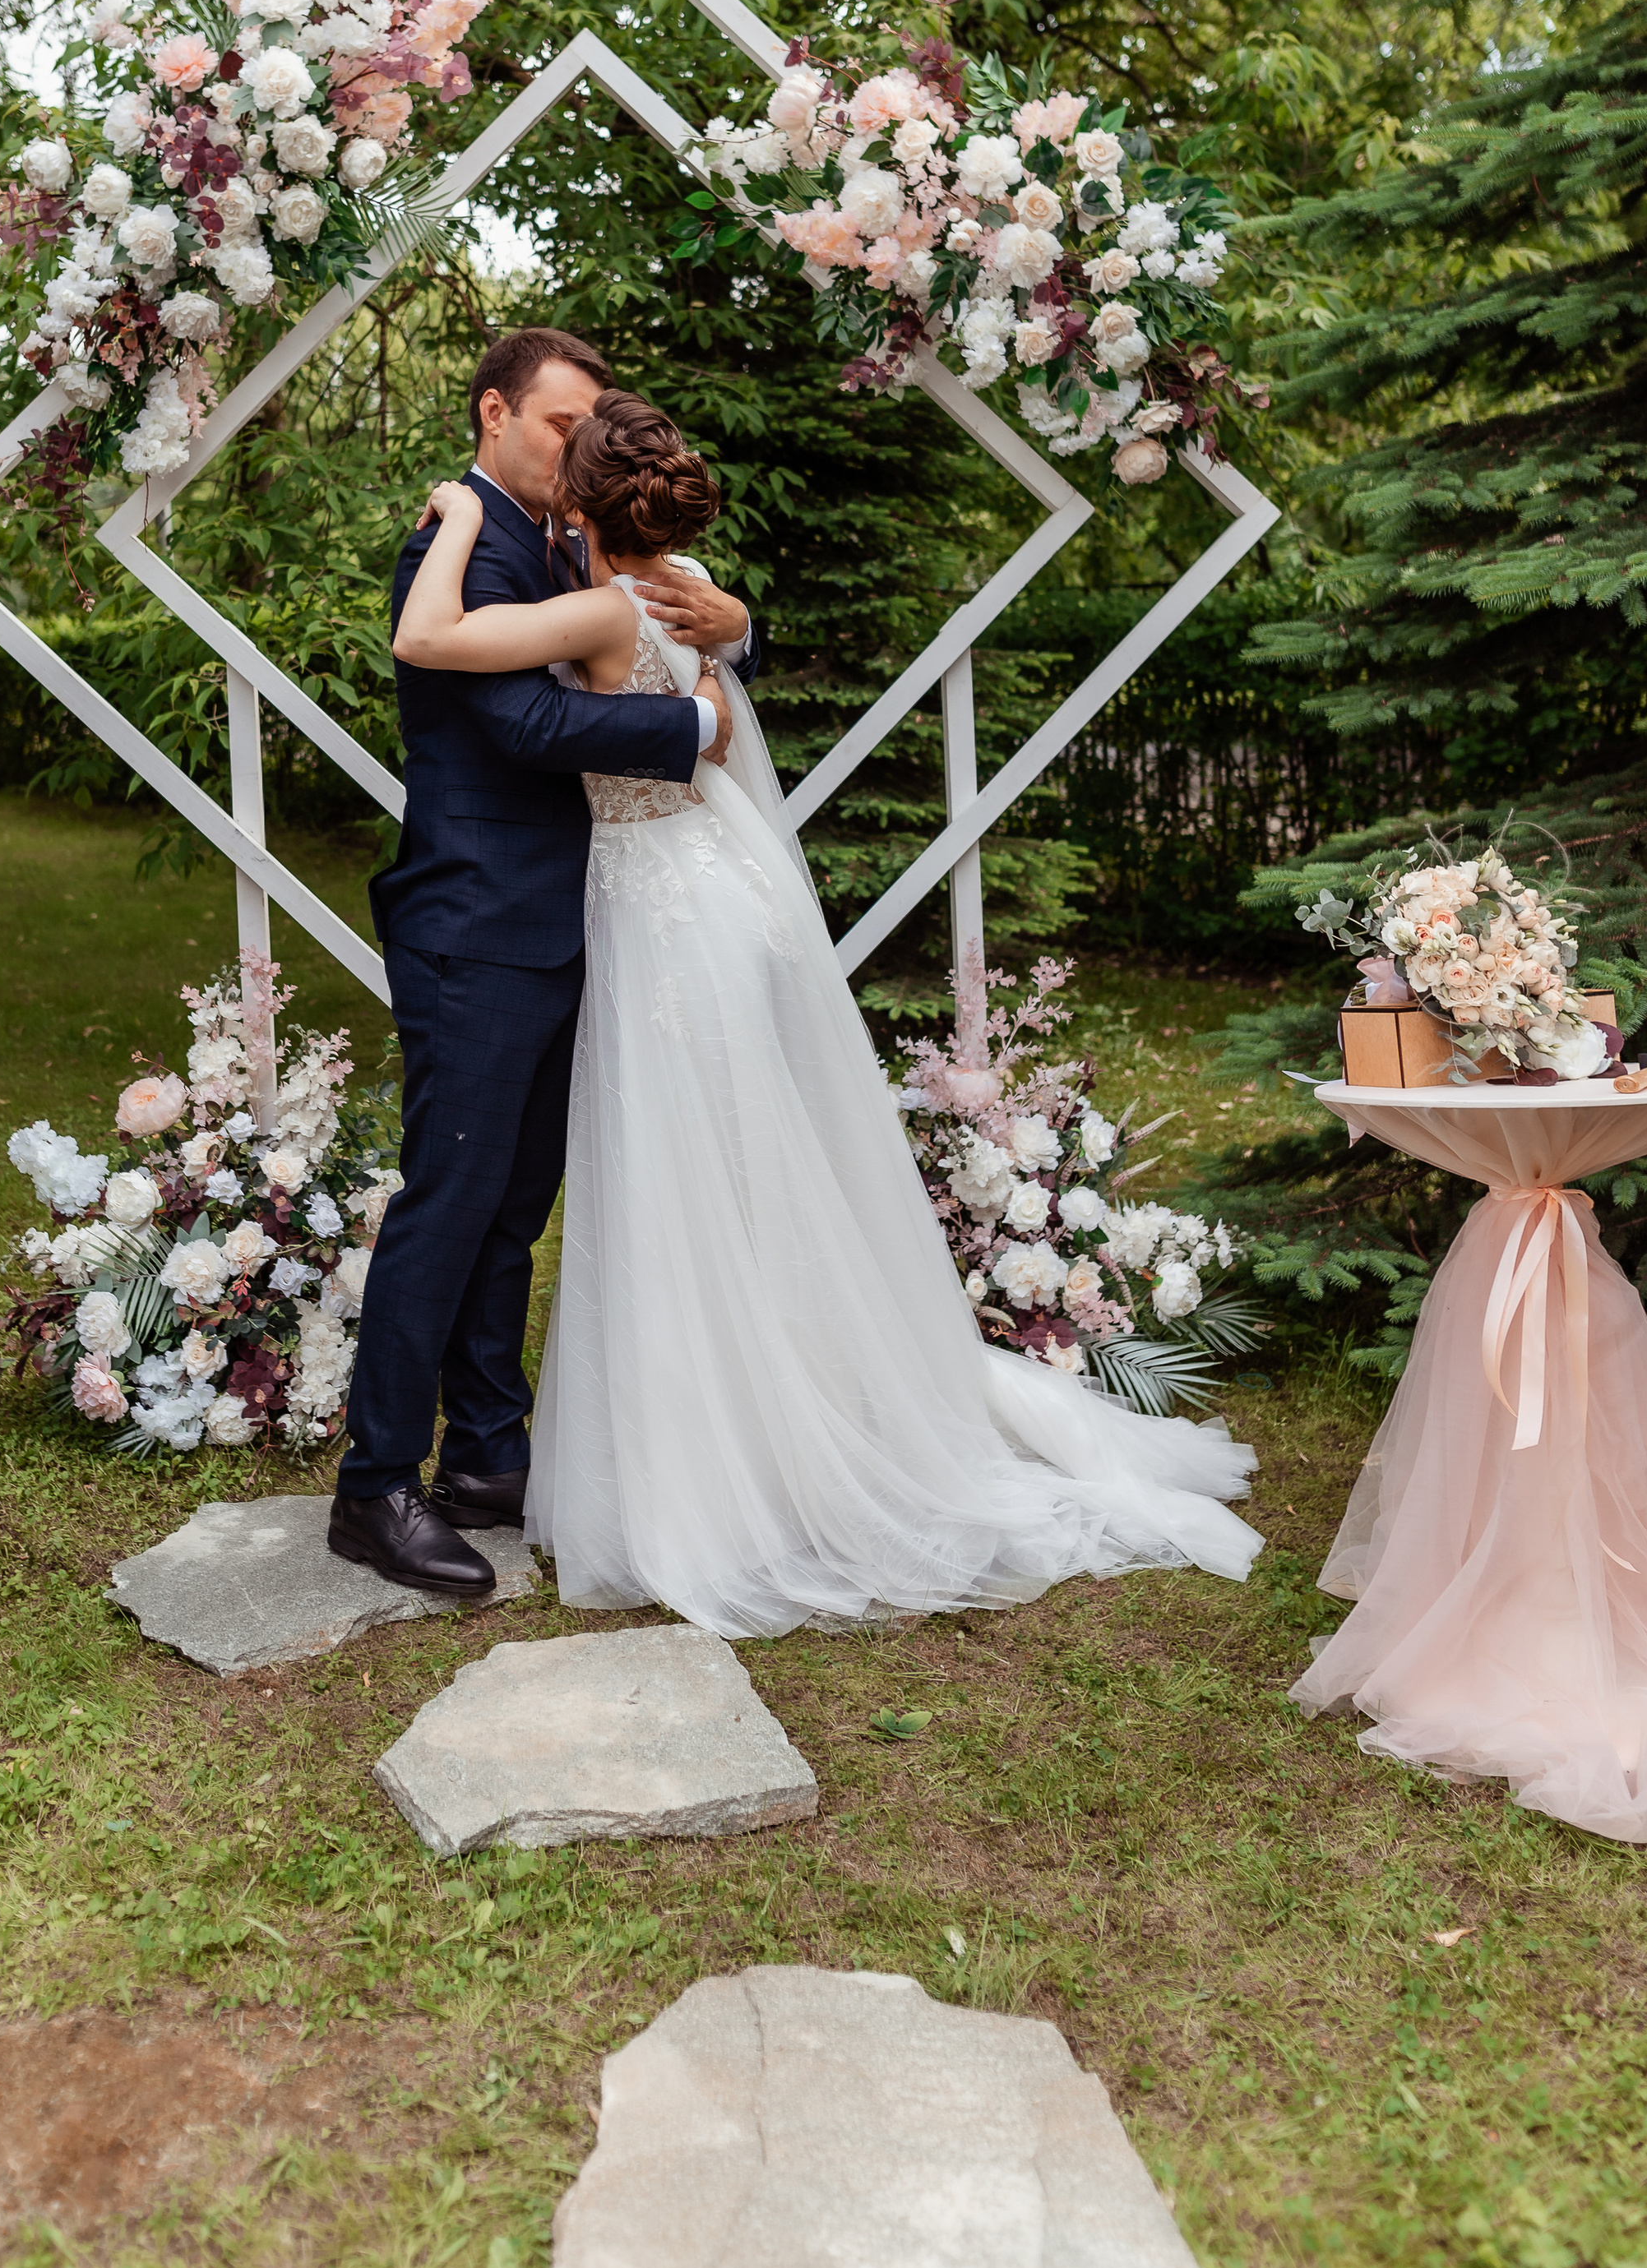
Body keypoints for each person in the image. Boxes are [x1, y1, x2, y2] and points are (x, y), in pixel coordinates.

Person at [387, 389, 1261, 1638]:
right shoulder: (687, 584)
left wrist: (464, 512)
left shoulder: (588, 604)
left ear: (580, 506)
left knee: (680, 1182)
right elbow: (713, 675)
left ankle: (726, 1461)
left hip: (656, 918)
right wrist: (724, 645)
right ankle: (775, 1415)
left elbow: (430, 640)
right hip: (723, 892)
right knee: (750, 1164)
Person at [331, 329, 758, 1598]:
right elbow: (520, 722)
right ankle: (375, 1489)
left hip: (566, 924)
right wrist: (695, 724)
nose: (575, 446)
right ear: (496, 413)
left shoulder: (563, 539)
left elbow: (668, 606)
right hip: (474, 928)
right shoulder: (452, 541)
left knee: (516, 1210)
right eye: (559, 425)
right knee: (449, 1205)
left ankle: (490, 1456)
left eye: (587, 431)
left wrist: (739, 629)